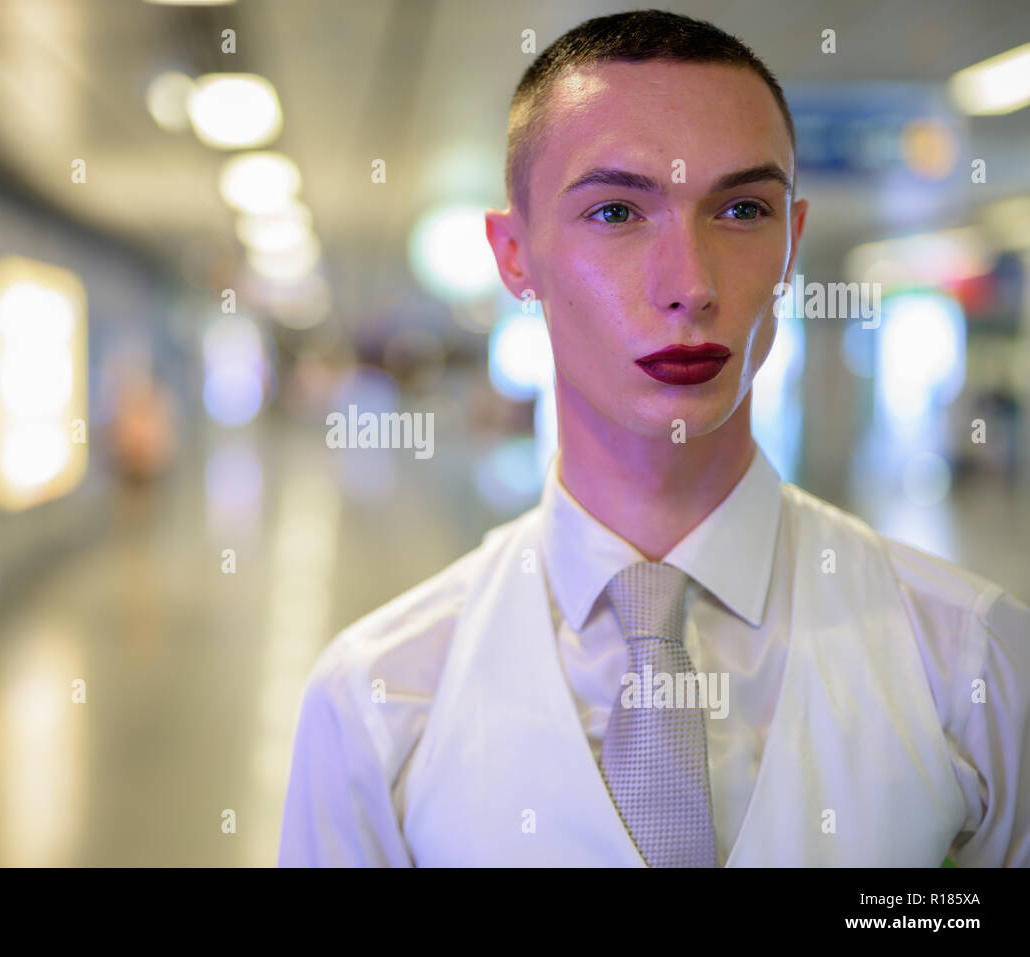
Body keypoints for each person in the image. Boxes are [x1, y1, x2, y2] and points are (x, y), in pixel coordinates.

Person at [278, 9, 1030, 867]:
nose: (690, 284)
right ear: (515, 254)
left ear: (791, 245)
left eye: (742, 209)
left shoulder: (970, 660)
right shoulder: (380, 698)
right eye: (616, 212)